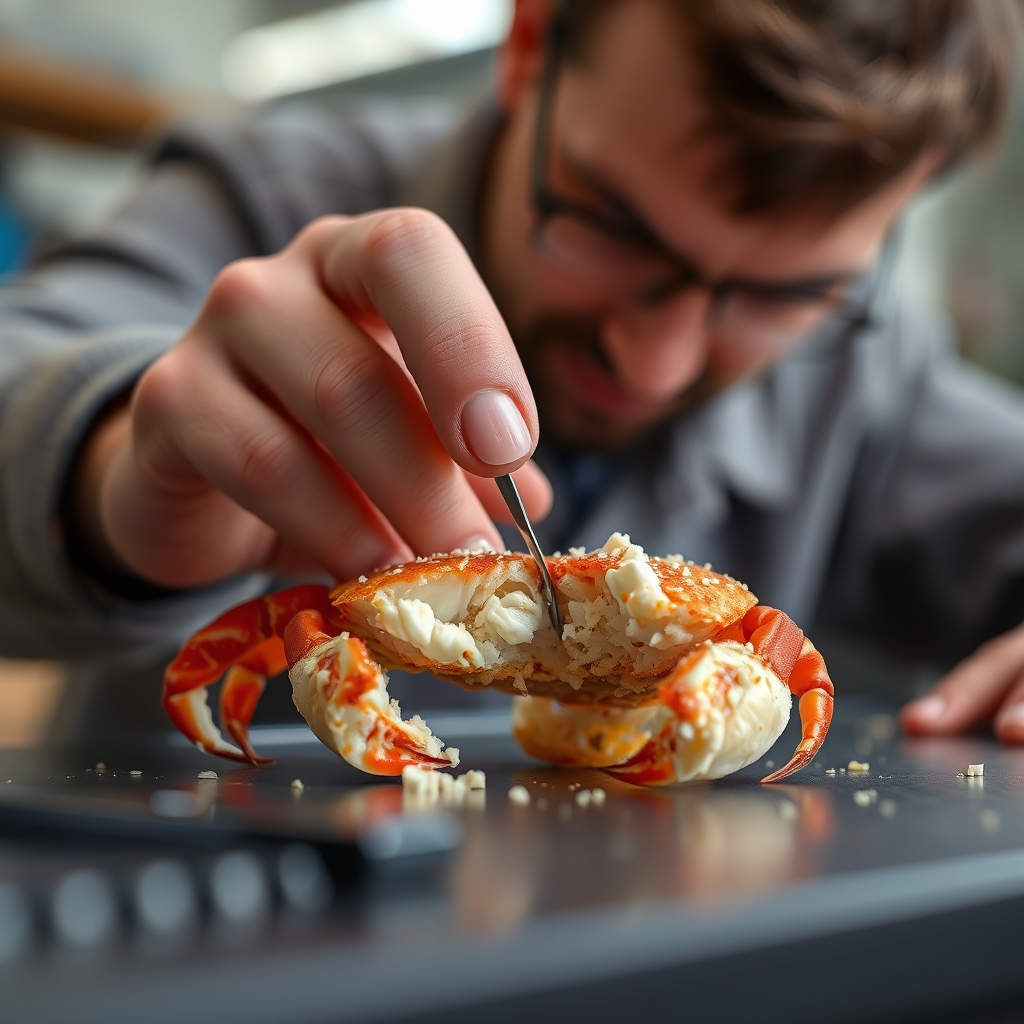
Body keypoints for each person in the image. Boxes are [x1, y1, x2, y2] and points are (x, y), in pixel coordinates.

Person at [0, 0, 1021, 739]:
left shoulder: (871, 371)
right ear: (529, 43)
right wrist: (100, 470)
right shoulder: (260, 195)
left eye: (783, 294)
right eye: (611, 225)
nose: (652, 360)